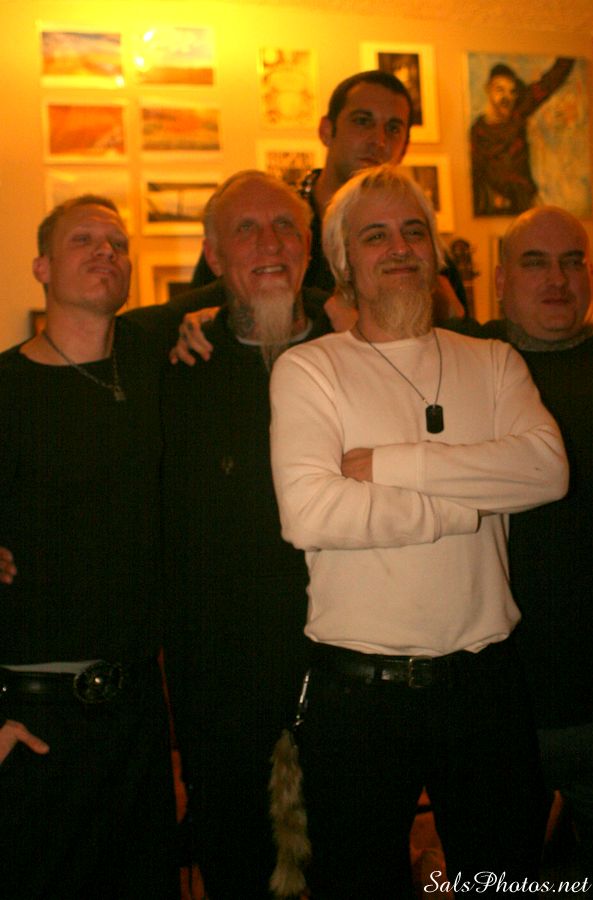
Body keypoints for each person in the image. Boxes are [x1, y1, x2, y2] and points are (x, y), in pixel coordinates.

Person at [268, 165, 569, 898]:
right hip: (356, 696)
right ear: (343, 261)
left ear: (434, 251)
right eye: (375, 236)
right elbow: (312, 513)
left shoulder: (493, 361)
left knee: (504, 883)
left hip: (486, 687)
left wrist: (394, 465)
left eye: (413, 231)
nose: (399, 247)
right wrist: (467, 507)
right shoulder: (309, 370)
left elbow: (545, 471)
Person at [138, 171, 328, 898]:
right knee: (234, 865)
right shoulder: (173, 360)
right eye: (246, 229)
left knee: (349, 861)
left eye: (285, 226)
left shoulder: (356, 340)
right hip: (218, 681)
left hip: (342, 668)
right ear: (214, 257)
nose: (269, 243)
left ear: (310, 245)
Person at [0, 196, 179, 900]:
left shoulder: (154, 360)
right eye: (84, 239)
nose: (106, 250)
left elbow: (232, 289)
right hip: (33, 718)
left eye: (117, 241)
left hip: (137, 717)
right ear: (42, 267)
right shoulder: (5, 387)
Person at [478, 207, 593, 894]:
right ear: (500, 281)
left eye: (572, 261)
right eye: (535, 263)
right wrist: (196, 321)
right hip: (497, 707)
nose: (557, 279)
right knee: (496, 881)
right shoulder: (460, 360)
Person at [189, 70, 466, 332]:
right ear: (326, 130)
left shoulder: (420, 250)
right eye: (362, 121)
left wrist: (446, 317)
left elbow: (453, 338)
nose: (379, 140)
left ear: (405, 146)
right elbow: (197, 313)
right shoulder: (274, 226)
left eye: (393, 128)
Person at [470, 58, 574, 216]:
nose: (507, 97)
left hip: (526, 203)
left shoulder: (517, 113)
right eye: (500, 90)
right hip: (495, 210)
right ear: (488, 89)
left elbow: (549, 82)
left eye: (512, 92)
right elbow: (475, 176)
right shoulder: (478, 132)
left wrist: (567, 59)